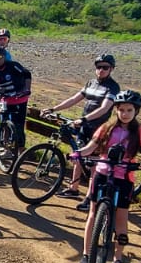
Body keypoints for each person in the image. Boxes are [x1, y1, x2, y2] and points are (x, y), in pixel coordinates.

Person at [74, 91, 141, 263]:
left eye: (129, 110)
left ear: (136, 111)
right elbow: (91, 147)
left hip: (124, 178)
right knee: (93, 214)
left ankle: (118, 259)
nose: (125, 114)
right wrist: (78, 153)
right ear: (116, 110)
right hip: (102, 174)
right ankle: (86, 254)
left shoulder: (140, 132)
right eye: (121, 110)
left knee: (121, 219)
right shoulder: (106, 128)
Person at [49, 53, 122, 196]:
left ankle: (90, 196)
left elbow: (104, 108)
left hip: (98, 129)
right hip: (85, 126)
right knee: (78, 155)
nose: (101, 70)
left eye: (105, 67)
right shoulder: (91, 83)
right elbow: (74, 99)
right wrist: (53, 109)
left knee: (94, 163)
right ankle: (73, 188)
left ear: (111, 69)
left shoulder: (113, 87)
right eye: (99, 67)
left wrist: (84, 119)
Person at [0, 45, 33, 163]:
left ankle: (21, 151)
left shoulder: (13, 66)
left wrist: (27, 89)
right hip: (5, 100)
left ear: (4, 57)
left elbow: (27, 74)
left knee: (18, 126)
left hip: (20, 100)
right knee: (4, 124)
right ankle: (6, 149)